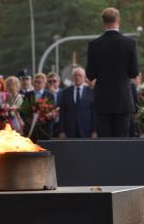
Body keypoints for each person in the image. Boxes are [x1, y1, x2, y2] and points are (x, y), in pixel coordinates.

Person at [86, 7, 138, 137]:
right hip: (123, 101)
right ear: (119, 20)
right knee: (121, 144)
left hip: (102, 102)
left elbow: (90, 75)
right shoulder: (130, 44)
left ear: (103, 23)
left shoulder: (94, 45)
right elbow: (134, 72)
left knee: (105, 145)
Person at [59, 67, 96, 138]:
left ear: (84, 77)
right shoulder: (65, 92)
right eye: (75, 75)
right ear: (72, 77)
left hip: (87, 130)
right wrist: (62, 131)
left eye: (80, 75)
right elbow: (62, 113)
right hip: (70, 130)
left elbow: (94, 113)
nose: (77, 77)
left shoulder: (91, 92)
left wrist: (94, 131)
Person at [46, 72, 62, 137]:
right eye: (50, 81)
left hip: (60, 121)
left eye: (54, 81)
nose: (52, 83)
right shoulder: (45, 93)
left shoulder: (63, 92)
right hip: (49, 122)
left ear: (59, 82)